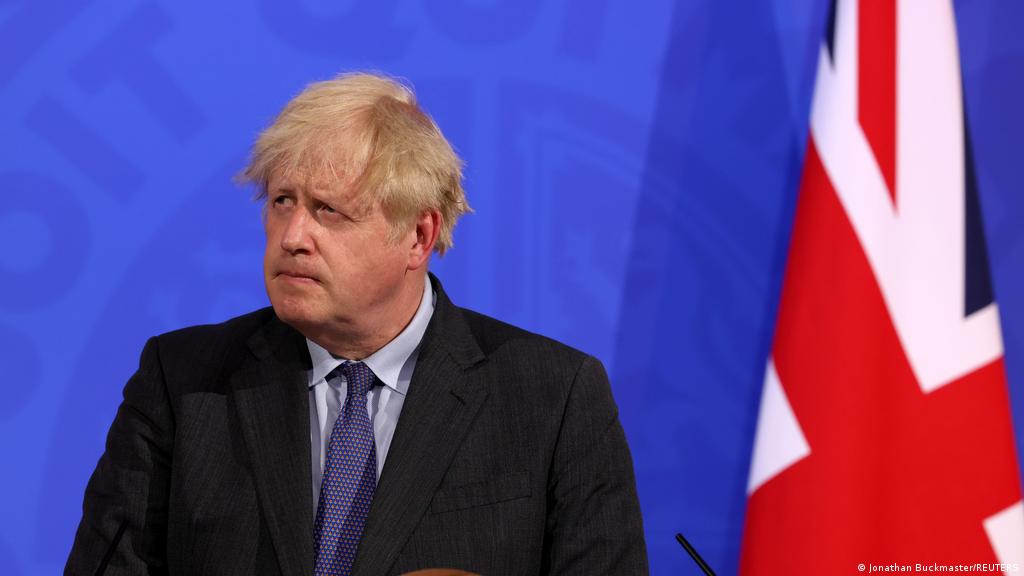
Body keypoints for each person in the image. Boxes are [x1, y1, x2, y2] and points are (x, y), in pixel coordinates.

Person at [66, 72, 648, 576]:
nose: (293, 237)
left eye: (328, 210)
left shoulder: (554, 397)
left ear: (418, 235)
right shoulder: (184, 384)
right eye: (282, 201)